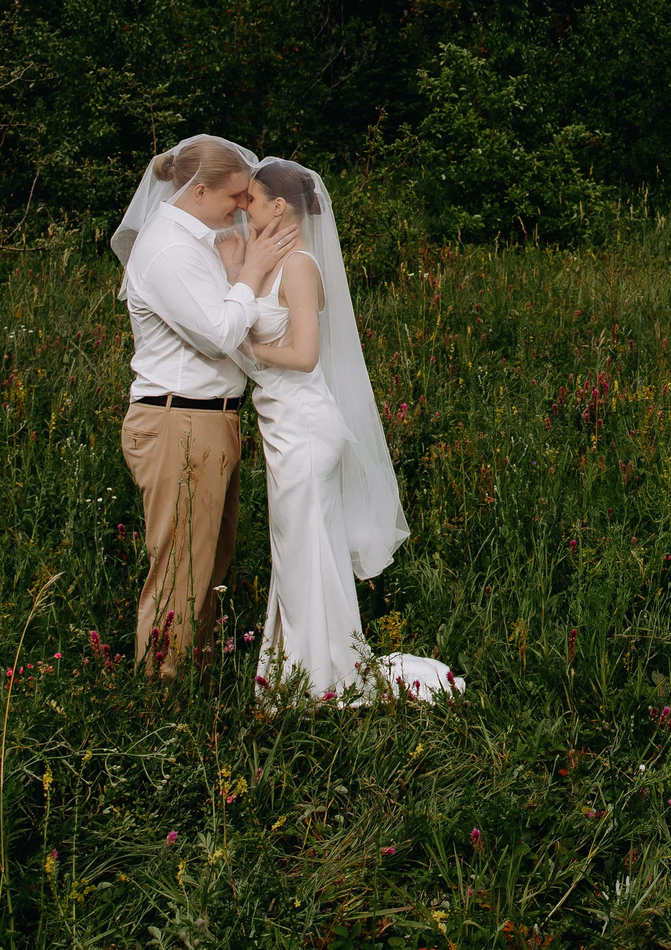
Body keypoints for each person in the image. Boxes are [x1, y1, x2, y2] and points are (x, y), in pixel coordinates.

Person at [236, 157, 459, 704]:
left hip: (306, 431)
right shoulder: (272, 261)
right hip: (285, 427)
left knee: (305, 553)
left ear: (279, 206)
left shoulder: (300, 267)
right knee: (298, 553)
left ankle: (316, 681)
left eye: (252, 199)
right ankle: (299, 673)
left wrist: (245, 351)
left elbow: (306, 354)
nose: (244, 207)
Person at [109, 135, 294, 675]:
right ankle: (161, 701)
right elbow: (217, 333)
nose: (242, 206)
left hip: (206, 420)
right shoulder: (169, 248)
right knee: (179, 574)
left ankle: (197, 687)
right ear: (199, 190)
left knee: (209, 566)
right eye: (235, 195)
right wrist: (254, 271)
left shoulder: (197, 243)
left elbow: (222, 317)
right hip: (178, 420)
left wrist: (238, 271)